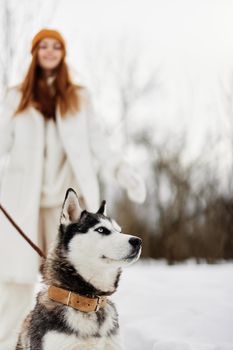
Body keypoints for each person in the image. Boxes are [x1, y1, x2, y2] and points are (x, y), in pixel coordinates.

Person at [0, 29, 146, 349]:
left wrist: (123, 170)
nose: (50, 52)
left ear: (63, 54)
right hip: (21, 205)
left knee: (79, 286)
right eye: (44, 46)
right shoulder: (15, 97)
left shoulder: (78, 97)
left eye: (56, 47)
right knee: (15, 288)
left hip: (69, 204)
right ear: (35, 53)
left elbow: (99, 144)